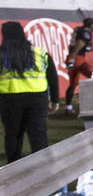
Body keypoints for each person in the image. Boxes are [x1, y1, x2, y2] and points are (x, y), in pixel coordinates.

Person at [0, 21, 59, 162]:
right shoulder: (39, 52)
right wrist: (55, 100)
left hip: (9, 99)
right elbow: (52, 77)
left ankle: (13, 166)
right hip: (37, 98)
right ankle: (41, 166)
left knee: (12, 134)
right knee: (38, 134)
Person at [63, 17, 93, 115]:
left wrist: (70, 58)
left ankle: (68, 107)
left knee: (73, 84)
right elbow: (80, 44)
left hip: (71, 57)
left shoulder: (78, 29)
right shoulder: (86, 31)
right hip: (77, 58)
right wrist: (73, 57)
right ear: (90, 24)